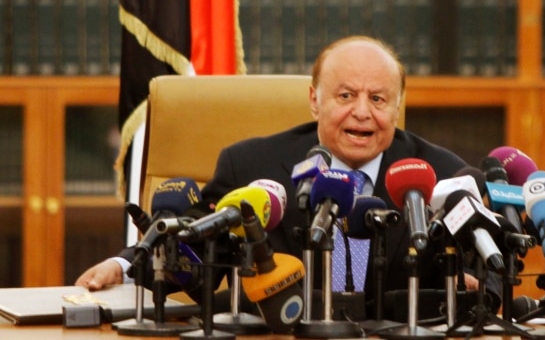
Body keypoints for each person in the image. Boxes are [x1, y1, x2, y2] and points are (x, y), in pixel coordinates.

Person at [76, 35, 501, 319]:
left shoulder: (440, 175)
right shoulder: (251, 165)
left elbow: (491, 264)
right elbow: (193, 240)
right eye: (346, 96)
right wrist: (124, 265)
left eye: (378, 99)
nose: (362, 112)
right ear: (315, 101)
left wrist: (479, 284)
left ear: (397, 107)